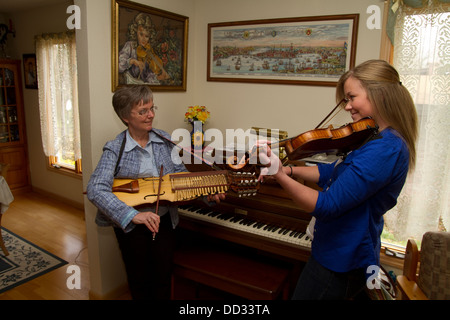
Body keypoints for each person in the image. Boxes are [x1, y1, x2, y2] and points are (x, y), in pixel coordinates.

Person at [258, 59, 418, 300]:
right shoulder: (372, 137)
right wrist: (290, 171)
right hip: (334, 251)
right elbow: (331, 172)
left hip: (342, 259)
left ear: (379, 94)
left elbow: (327, 205)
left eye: (352, 97)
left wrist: (278, 174)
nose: (347, 106)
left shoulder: (386, 149)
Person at [86, 85, 222, 300]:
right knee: (140, 282)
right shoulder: (114, 148)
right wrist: (134, 215)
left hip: (164, 221)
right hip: (132, 228)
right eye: (143, 111)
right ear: (125, 117)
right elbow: (95, 189)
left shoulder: (164, 140)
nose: (151, 115)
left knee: (163, 278)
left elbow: (180, 176)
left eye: (151, 108)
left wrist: (207, 194)